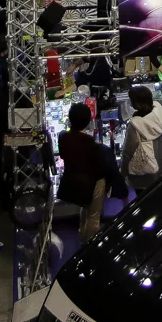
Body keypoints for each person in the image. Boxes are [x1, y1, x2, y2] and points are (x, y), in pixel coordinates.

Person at [56, 101, 106, 239]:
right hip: (92, 182)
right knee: (93, 216)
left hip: (73, 179)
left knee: (84, 208)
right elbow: (99, 167)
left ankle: (82, 233)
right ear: (88, 121)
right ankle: (90, 244)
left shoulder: (63, 136)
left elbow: (62, 155)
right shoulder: (91, 143)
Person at [121, 84, 162, 194]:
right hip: (160, 167)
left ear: (135, 103)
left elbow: (128, 152)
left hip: (143, 174)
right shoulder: (158, 112)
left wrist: (123, 172)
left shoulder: (135, 125)